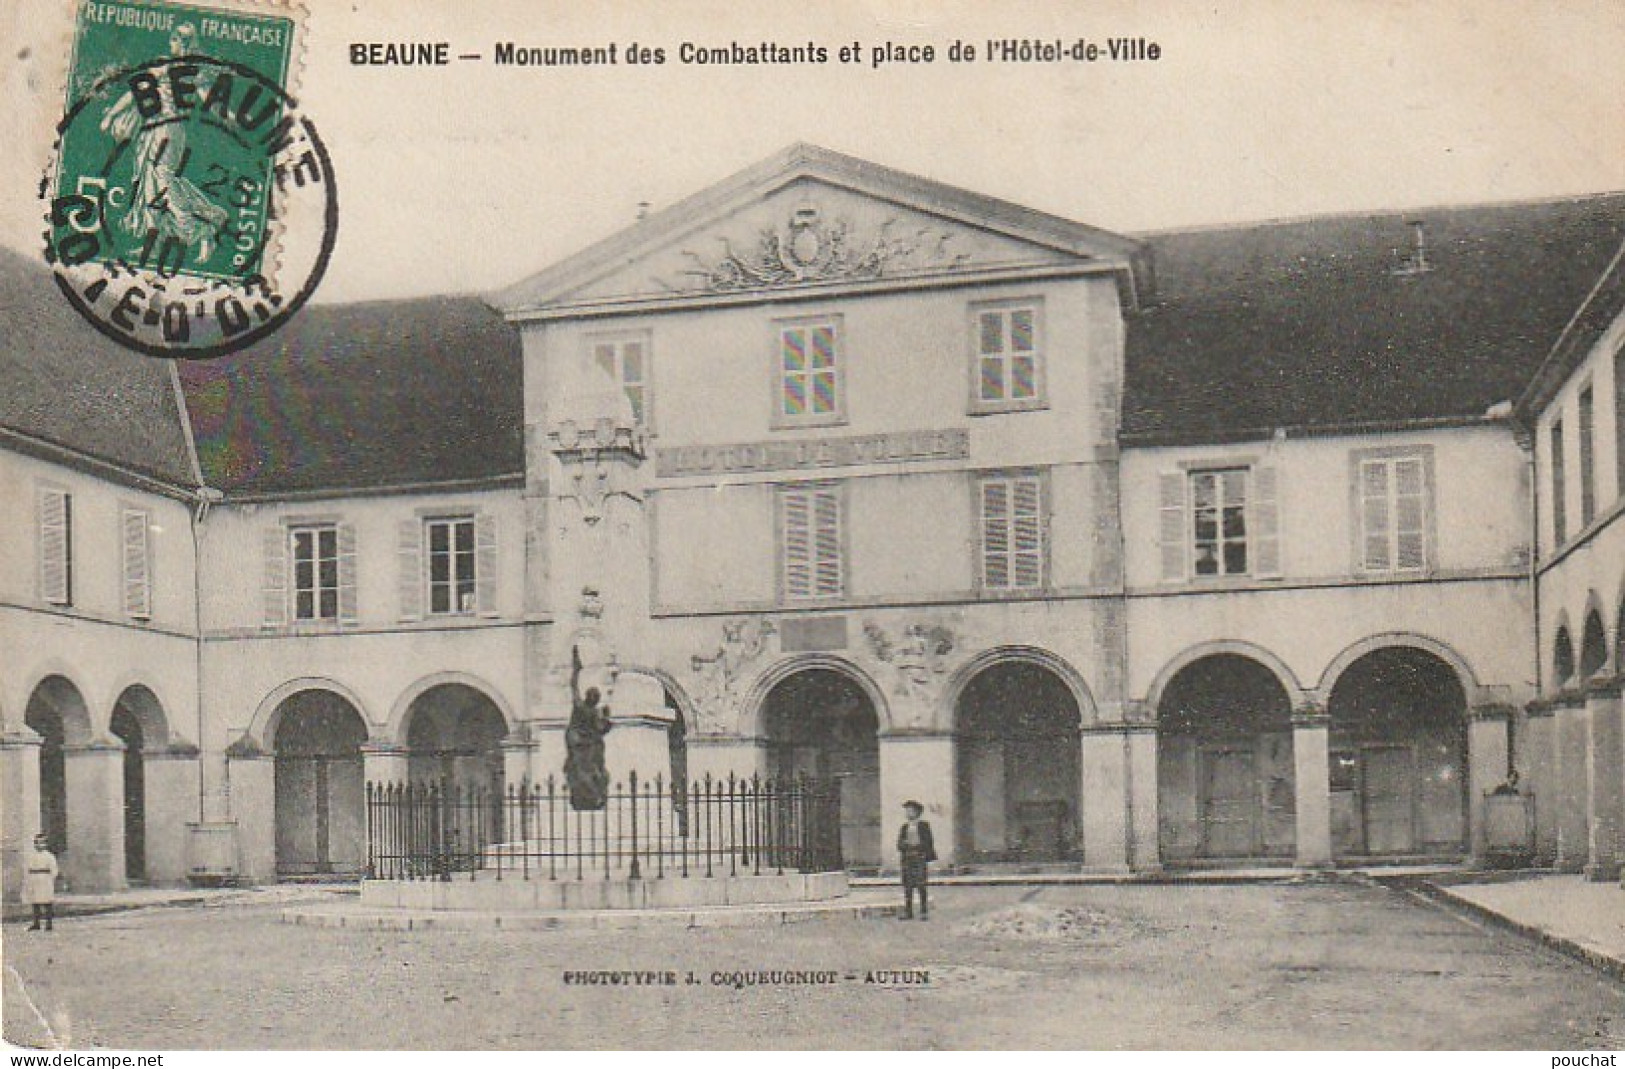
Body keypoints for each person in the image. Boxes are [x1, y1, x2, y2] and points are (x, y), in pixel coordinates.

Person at [564, 644, 612, 810]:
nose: (594, 698)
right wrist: (576, 670)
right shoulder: (579, 706)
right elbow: (573, 687)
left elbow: (601, 729)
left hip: (590, 746)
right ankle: (587, 799)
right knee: (582, 773)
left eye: (596, 697)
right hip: (579, 745)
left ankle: (595, 797)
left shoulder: (594, 712)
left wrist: (606, 718)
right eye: (592, 696)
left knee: (597, 773)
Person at [896, 800, 936, 920]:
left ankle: (924, 912)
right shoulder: (904, 827)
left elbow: (928, 842)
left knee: (921, 884)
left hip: (919, 857)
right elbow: (899, 844)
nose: (908, 813)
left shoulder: (924, 826)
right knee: (907, 886)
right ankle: (908, 912)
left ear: (917, 812)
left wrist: (917, 846)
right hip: (907, 858)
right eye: (907, 811)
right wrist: (905, 845)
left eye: (910, 811)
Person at [23, 834, 58, 932]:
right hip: (34, 879)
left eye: (41, 843)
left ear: (45, 844)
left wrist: (50, 879)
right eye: (37, 843)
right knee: (35, 902)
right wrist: (29, 880)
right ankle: (36, 923)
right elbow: (28, 868)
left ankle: (49, 924)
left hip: (45, 880)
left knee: (47, 902)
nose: (39, 845)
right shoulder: (31, 856)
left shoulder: (50, 856)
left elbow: (54, 870)